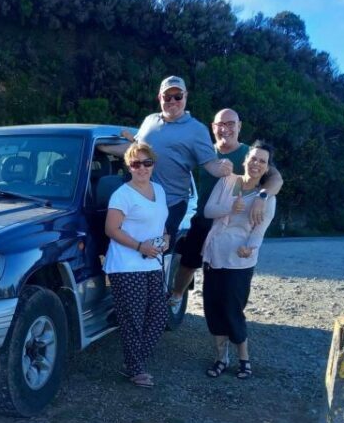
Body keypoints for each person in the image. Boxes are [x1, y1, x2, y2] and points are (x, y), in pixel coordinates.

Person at [168, 108, 284, 309]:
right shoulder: (205, 152)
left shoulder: (251, 154)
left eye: (231, 124)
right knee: (188, 263)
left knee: (226, 272)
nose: (225, 128)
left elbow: (276, 178)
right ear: (213, 127)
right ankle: (176, 297)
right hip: (204, 217)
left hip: (233, 223)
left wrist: (262, 196)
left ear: (239, 126)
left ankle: (227, 313)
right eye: (221, 124)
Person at [122, 76, 233, 245]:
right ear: (160, 98)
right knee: (136, 247)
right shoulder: (149, 121)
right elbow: (134, 150)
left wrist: (222, 168)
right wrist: (102, 147)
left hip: (171, 203)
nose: (172, 101)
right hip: (140, 201)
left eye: (178, 96)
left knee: (158, 249)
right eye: (167, 97)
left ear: (185, 96)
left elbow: (210, 163)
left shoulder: (197, 129)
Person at [202, 141, 276, 380]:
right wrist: (230, 207)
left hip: (239, 262)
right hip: (213, 257)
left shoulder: (267, 199)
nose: (256, 164)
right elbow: (208, 211)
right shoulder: (226, 182)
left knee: (233, 310)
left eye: (262, 161)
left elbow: (258, 232)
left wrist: (250, 248)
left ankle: (244, 359)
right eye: (253, 158)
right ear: (245, 160)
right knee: (213, 310)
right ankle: (221, 358)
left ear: (267, 168)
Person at [104, 142, 169, 388]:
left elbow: (161, 223)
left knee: (159, 316)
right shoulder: (122, 195)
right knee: (133, 319)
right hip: (126, 266)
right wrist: (140, 246)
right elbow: (111, 229)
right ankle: (135, 369)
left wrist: (165, 238)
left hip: (152, 263)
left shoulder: (159, 190)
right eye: (136, 164)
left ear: (153, 164)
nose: (142, 168)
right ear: (129, 167)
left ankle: (134, 362)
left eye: (147, 163)